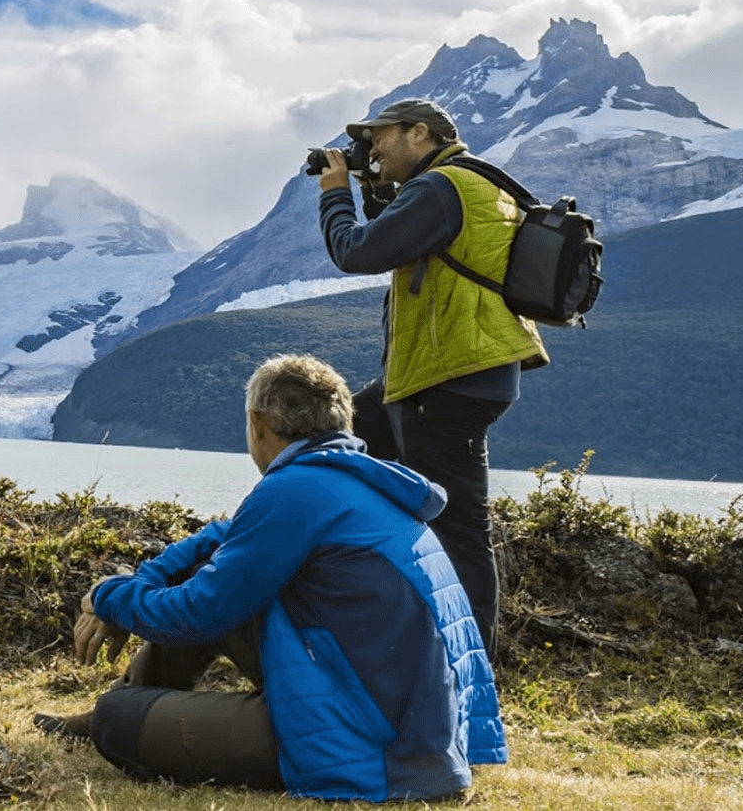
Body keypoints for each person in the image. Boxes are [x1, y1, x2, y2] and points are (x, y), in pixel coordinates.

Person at [35, 354, 505, 802]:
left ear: (258, 424)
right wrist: (141, 581)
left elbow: (200, 611)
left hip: (371, 745)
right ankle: (114, 704)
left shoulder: (293, 490)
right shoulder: (351, 481)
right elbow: (227, 539)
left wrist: (109, 597)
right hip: (412, 730)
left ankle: (111, 711)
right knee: (216, 578)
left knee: (117, 723)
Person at [316, 98, 548, 654]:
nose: (371, 148)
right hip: (457, 373)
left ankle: (473, 668)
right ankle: (373, 627)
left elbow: (358, 251)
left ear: (419, 132)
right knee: (335, 449)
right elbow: (404, 237)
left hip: (446, 379)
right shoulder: (470, 181)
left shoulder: (440, 188)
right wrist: (373, 185)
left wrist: (335, 195)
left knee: (460, 529)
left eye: (381, 137)